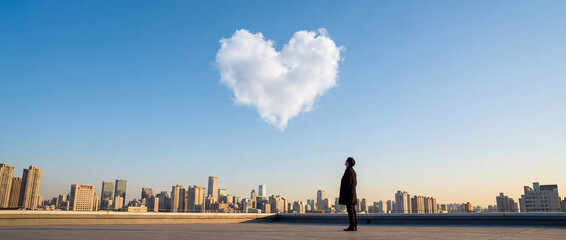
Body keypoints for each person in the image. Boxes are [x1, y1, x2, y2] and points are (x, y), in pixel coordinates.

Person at [339, 157, 357, 231]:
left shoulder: (348, 171)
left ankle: (352, 227)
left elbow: (347, 183)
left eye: (346, 161)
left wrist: (344, 191)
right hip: (352, 194)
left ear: (348, 163)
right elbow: (355, 183)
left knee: (350, 211)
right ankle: (354, 226)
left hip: (349, 194)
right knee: (353, 210)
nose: (345, 161)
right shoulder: (353, 171)